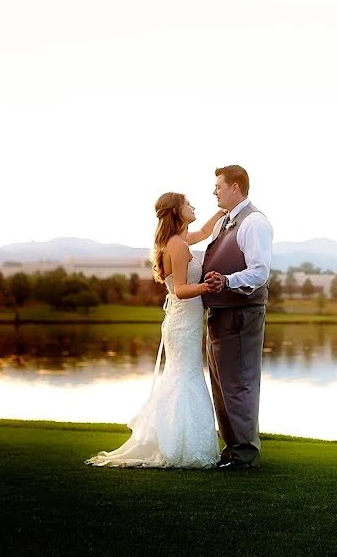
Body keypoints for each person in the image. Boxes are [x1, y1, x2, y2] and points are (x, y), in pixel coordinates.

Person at [86, 193, 225, 468]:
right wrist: (208, 287)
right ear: (177, 211)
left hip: (184, 320)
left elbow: (206, 232)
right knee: (185, 377)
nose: (194, 207)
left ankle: (178, 441)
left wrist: (222, 213)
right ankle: (179, 447)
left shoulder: (179, 241)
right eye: (189, 204)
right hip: (183, 321)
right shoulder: (177, 245)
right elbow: (183, 289)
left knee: (182, 375)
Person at [202, 165, 273, 470]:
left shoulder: (254, 222)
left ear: (235, 187)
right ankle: (232, 451)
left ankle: (245, 453)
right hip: (220, 312)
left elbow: (259, 272)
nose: (214, 191)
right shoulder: (223, 224)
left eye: (218, 185)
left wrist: (227, 281)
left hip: (242, 313)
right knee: (221, 383)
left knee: (240, 381)